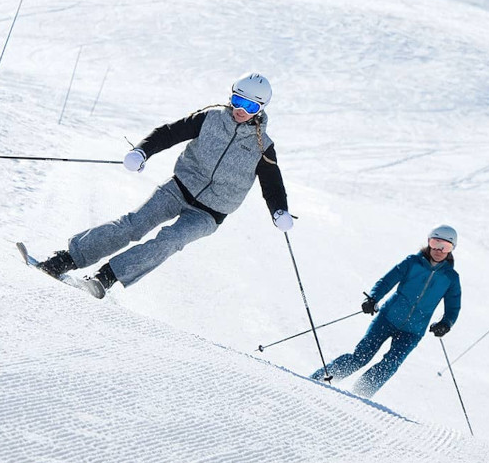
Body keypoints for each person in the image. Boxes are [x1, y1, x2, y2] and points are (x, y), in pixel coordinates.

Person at [34, 73, 292, 298]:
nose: (240, 110)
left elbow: (272, 183)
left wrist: (279, 210)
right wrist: (141, 152)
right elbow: (169, 133)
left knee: (170, 241)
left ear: (261, 108)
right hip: (179, 188)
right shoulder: (210, 119)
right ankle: (65, 260)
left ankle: (106, 277)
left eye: (249, 106)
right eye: (237, 101)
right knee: (133, 225)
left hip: (209, 213)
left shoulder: (262, 145)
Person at [311, 225, 462, 398]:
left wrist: (446, 324)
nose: (438, 250)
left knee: (390, 364)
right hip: (387, 318)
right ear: (428, 242)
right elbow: (388, 280)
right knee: (361, 356)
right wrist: (373, 298)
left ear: (451, 250)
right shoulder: (412, 262)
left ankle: (359, 394)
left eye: (445, 246)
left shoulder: (450, 278)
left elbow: (453, 306)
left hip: (413, 331)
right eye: (435, 243)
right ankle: (318, 379)